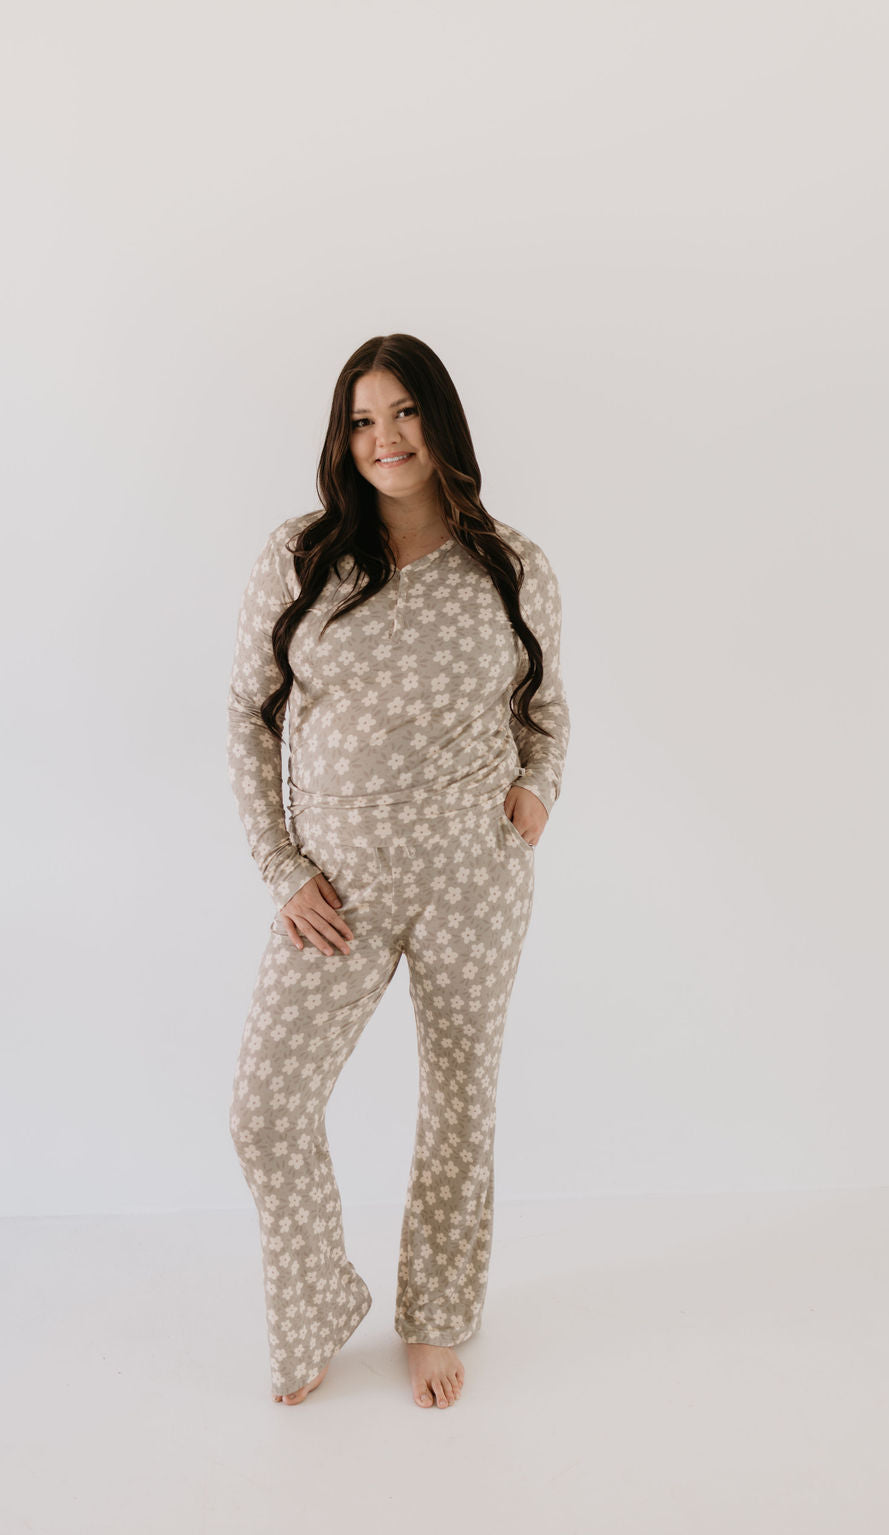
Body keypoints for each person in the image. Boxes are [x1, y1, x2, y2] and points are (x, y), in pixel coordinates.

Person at [226, 333, 570, 1409]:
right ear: (343, 435)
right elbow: (247, 714)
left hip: (475, 872)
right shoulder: (301, 555)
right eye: (364, 418)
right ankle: (321, 1296)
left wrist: (537, 789)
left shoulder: (510, 562)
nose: (385, 438)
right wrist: (282, 867)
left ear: (441, 422)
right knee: (266, 1109)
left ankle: (434, 1315)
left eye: (406, 412)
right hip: (337, 887)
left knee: (459, 1098)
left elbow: (546, 709)